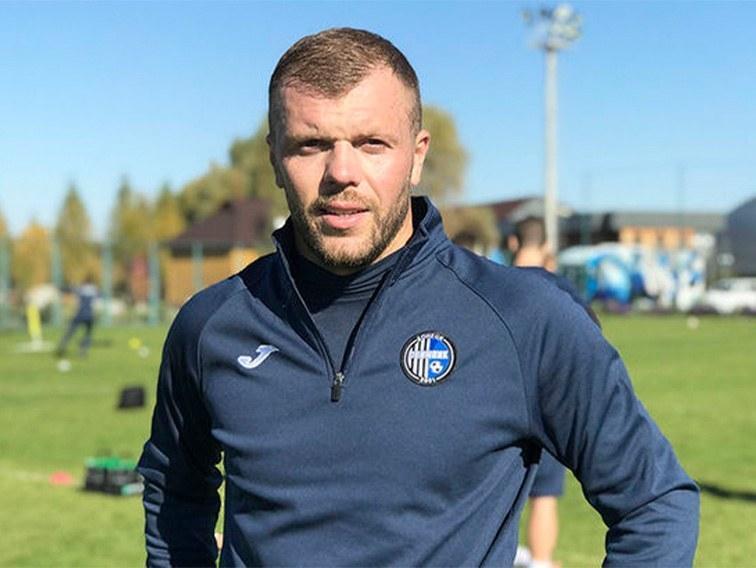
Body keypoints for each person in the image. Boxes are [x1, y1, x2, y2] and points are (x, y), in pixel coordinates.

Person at [138, 28, 699, 567]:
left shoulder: (525, 318)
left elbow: (654, 503)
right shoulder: (212, 325)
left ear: (417, 154)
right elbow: (173, 495)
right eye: (311, 145)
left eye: (371, 144)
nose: (341, 173)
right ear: (275, 157)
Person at [56, 276, 97, 358]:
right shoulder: (94, 290)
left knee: (70, 331)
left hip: (80, 314)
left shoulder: (81, 289)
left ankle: (62, 346)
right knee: (87, 334)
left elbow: (69, 289)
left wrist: (62, 288)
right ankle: (83, 351)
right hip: (90, 315)